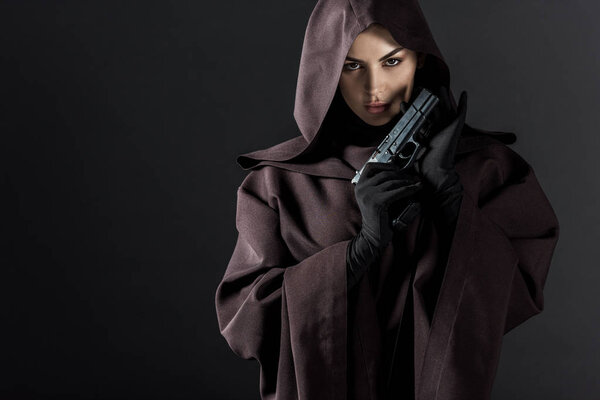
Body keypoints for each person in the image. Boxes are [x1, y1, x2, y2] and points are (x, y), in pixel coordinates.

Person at [215, 0, 559, 399]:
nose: (374, 88)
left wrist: (450, 198)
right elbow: (243, 320)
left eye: (392, 62)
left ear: (420, 60)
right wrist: (357, 255)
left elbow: (519, 288)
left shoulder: (486, 170)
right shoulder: (277, 183)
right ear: (325, 69)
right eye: (353, 66)